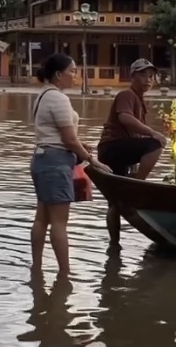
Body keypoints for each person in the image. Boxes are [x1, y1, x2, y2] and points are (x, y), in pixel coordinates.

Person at [30, 53, 109, 277]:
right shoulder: (58, 98)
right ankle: (65, 275)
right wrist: (91, 159)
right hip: (55, 163)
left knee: (42, 218)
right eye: (72, 71)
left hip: (42, 159)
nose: (75, 75)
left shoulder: (43, 96)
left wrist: (78, 145)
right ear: (58, 74)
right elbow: (68, 139)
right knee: (59, 223)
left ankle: (37, 268)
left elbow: (56, 134)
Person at [97, 58, 166, 249]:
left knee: (115, 202)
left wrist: (134, 164)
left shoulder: (139, 100)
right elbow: (125, 118)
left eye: (151, 76)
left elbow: (133, 134)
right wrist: (152, 132)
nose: (148, 79)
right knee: (155, 144)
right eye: (143, 75)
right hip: (113, 147)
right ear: (133, 76)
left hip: (115, 150)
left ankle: (114, 244)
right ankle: (138, 184)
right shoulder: (127, 94)